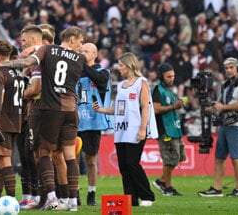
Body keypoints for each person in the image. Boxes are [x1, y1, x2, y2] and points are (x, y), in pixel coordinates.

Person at [2, 26, 86, 212]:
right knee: (70, 156)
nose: (82, 44)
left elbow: (27, 63)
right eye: (81, 41)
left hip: (51, 109)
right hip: (71, 110)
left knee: (44, 153)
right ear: (72, 39)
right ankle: (72, 202)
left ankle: (51, 197)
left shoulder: (47, 50)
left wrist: (3, 64)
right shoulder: (80, 58)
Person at [94, 53, 156, 208]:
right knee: (123, 165)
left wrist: (143, 128)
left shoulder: (141, 82)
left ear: (129, 66)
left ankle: (147, 195)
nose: (119, 68)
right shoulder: (121, 85)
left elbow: (145, 106)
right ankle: (130, 199)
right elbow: (118, 109)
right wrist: (101, 109)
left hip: (135, 130)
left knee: (132, 163)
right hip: (121, 130)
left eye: (121, 65)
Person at [198, 57, 238, 198]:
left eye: (231, 67)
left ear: (237, 68)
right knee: (219, 157)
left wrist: (223, 107)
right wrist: (208, 108)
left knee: (236, 158)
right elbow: (219, 104)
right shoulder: (227, 85)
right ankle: (217, 188)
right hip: (225, 123)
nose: (228, 70)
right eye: (226, 68)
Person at [75, 42, 112, 206]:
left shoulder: (102, 72)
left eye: (86, 51)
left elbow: (99, 80)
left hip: (92, 123)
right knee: (72, 159)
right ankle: (74, 194)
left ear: (95, 54)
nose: (82, 53)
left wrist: (82, 64)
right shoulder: (74, 72)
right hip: (74, 122)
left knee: (90, 159)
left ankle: (91, 194)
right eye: (81, 50)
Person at [0, 39, 21, 207]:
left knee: (4, 160)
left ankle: (11, 201)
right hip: (16, 119)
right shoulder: (16, 72)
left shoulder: (0, 72)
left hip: (5, 120)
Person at [151, 63, 185, 197]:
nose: (171, 79)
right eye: (168, 76)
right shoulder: (158, 90)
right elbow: (156, 109)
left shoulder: (169, 91)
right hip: (165, 129)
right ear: (161, 77)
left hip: (174, 128)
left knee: (178, 157)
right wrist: (173, 106)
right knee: (170, 159)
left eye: (173, 76)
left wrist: (178, 104)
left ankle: (161, 181)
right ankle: (167, 187)